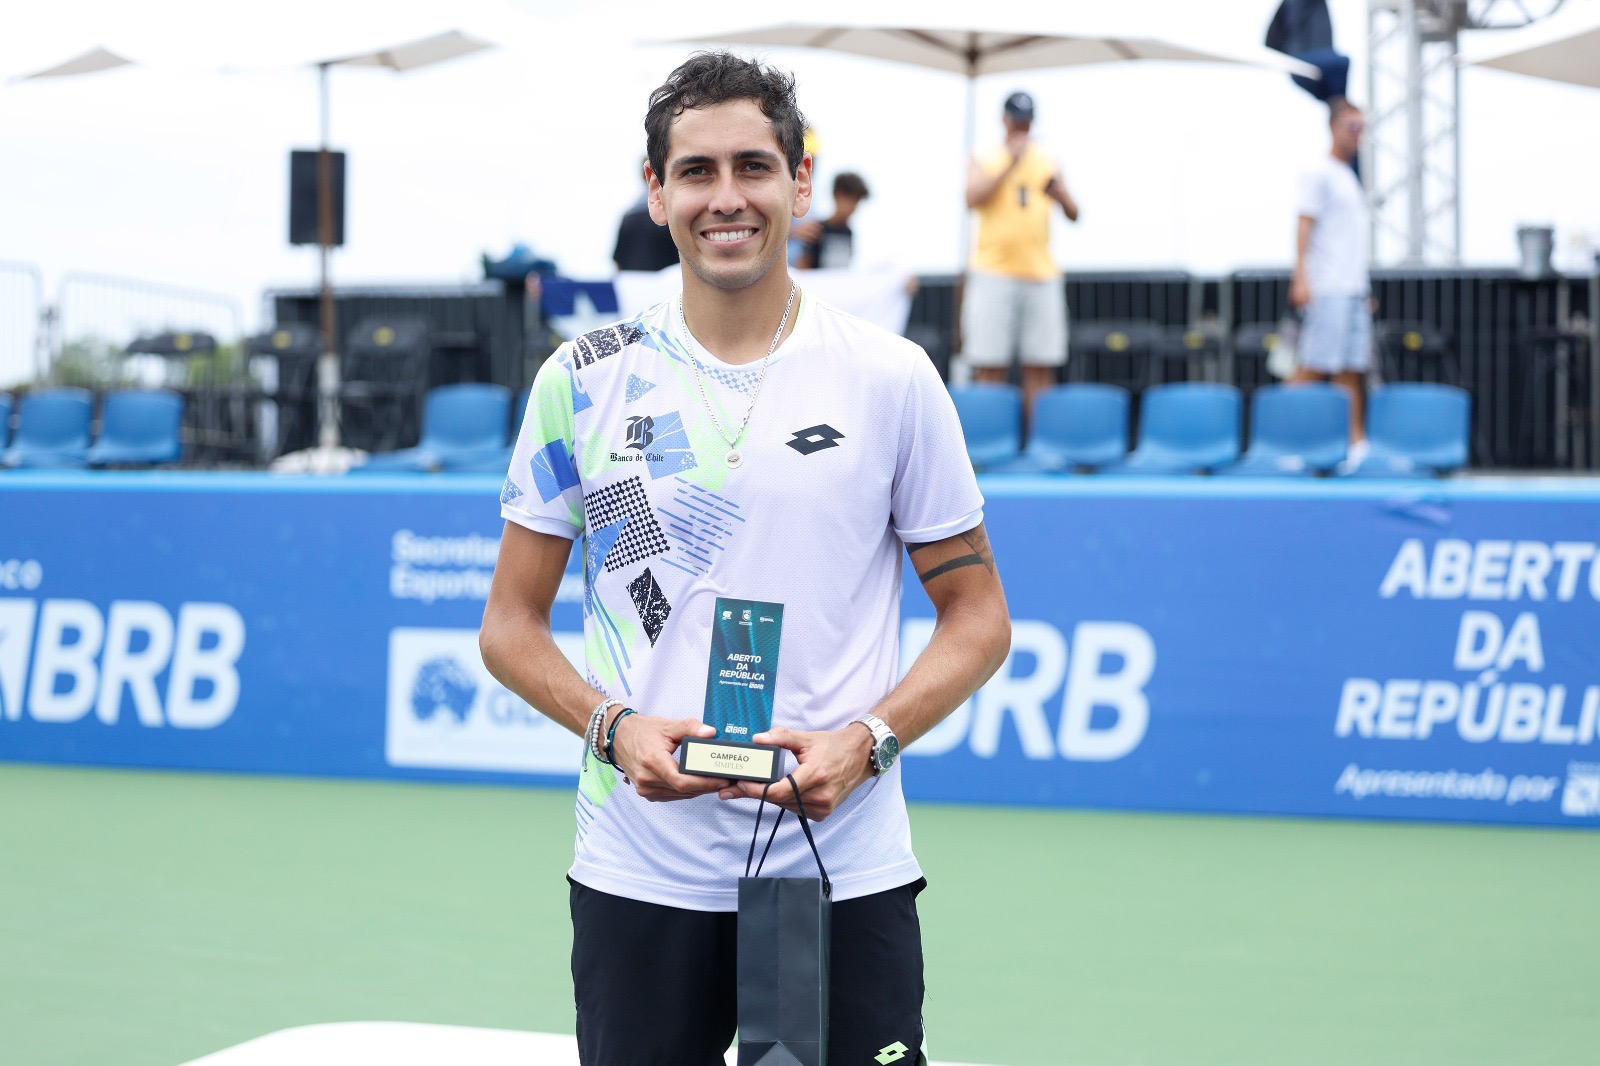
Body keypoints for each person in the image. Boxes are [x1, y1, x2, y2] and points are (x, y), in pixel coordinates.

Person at [480, 50, 1011, 1066]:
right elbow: (508, 626)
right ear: (657, 192)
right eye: (697, 171)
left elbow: (979, 618)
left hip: (836, 870)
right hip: (640, 872)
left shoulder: (891, 379)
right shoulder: (583, 379)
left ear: (799, 182)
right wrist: (612, 726)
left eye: (754, 167)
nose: (728, 198)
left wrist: (869, 739)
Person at [962, 90, 1079, 421]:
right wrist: (1010, 163)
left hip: (1041, 273)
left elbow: (1074, 212)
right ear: (1004, 120)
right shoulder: (985, 156)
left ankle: (1041, 443)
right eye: (1017, 122)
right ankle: (990, 439)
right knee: (990, 363)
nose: (1021, 129)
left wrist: (1061, 194)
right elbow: (971, 197)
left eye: (1026, 123)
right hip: (992, 271)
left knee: (1041, 365)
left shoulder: (1047, 158)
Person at [1289, 99, 1370, 452]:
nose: (1357, 135)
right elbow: (1304, 224)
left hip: (1352, 289)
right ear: (1334, 127)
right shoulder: (1318, 172)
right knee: (1314, 366)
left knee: (1350, 370)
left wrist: (1363, 290)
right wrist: (1301, 277)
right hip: (1328, 288)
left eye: (1361, 128)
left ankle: (1355, 444)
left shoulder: (1349, 176)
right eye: (1352, 127)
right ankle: (1278, 437)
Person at [612, 159, 681, 272]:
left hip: (633, 284)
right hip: (666, 285)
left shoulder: (629, 216)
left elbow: (619, 262)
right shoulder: (672, 214)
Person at [794, 171, 870, 270]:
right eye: (851, 200)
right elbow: (803, 265)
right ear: (837, 195)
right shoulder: (817, 229)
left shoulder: (848, 232)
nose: (853, 207)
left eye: (857, 202)